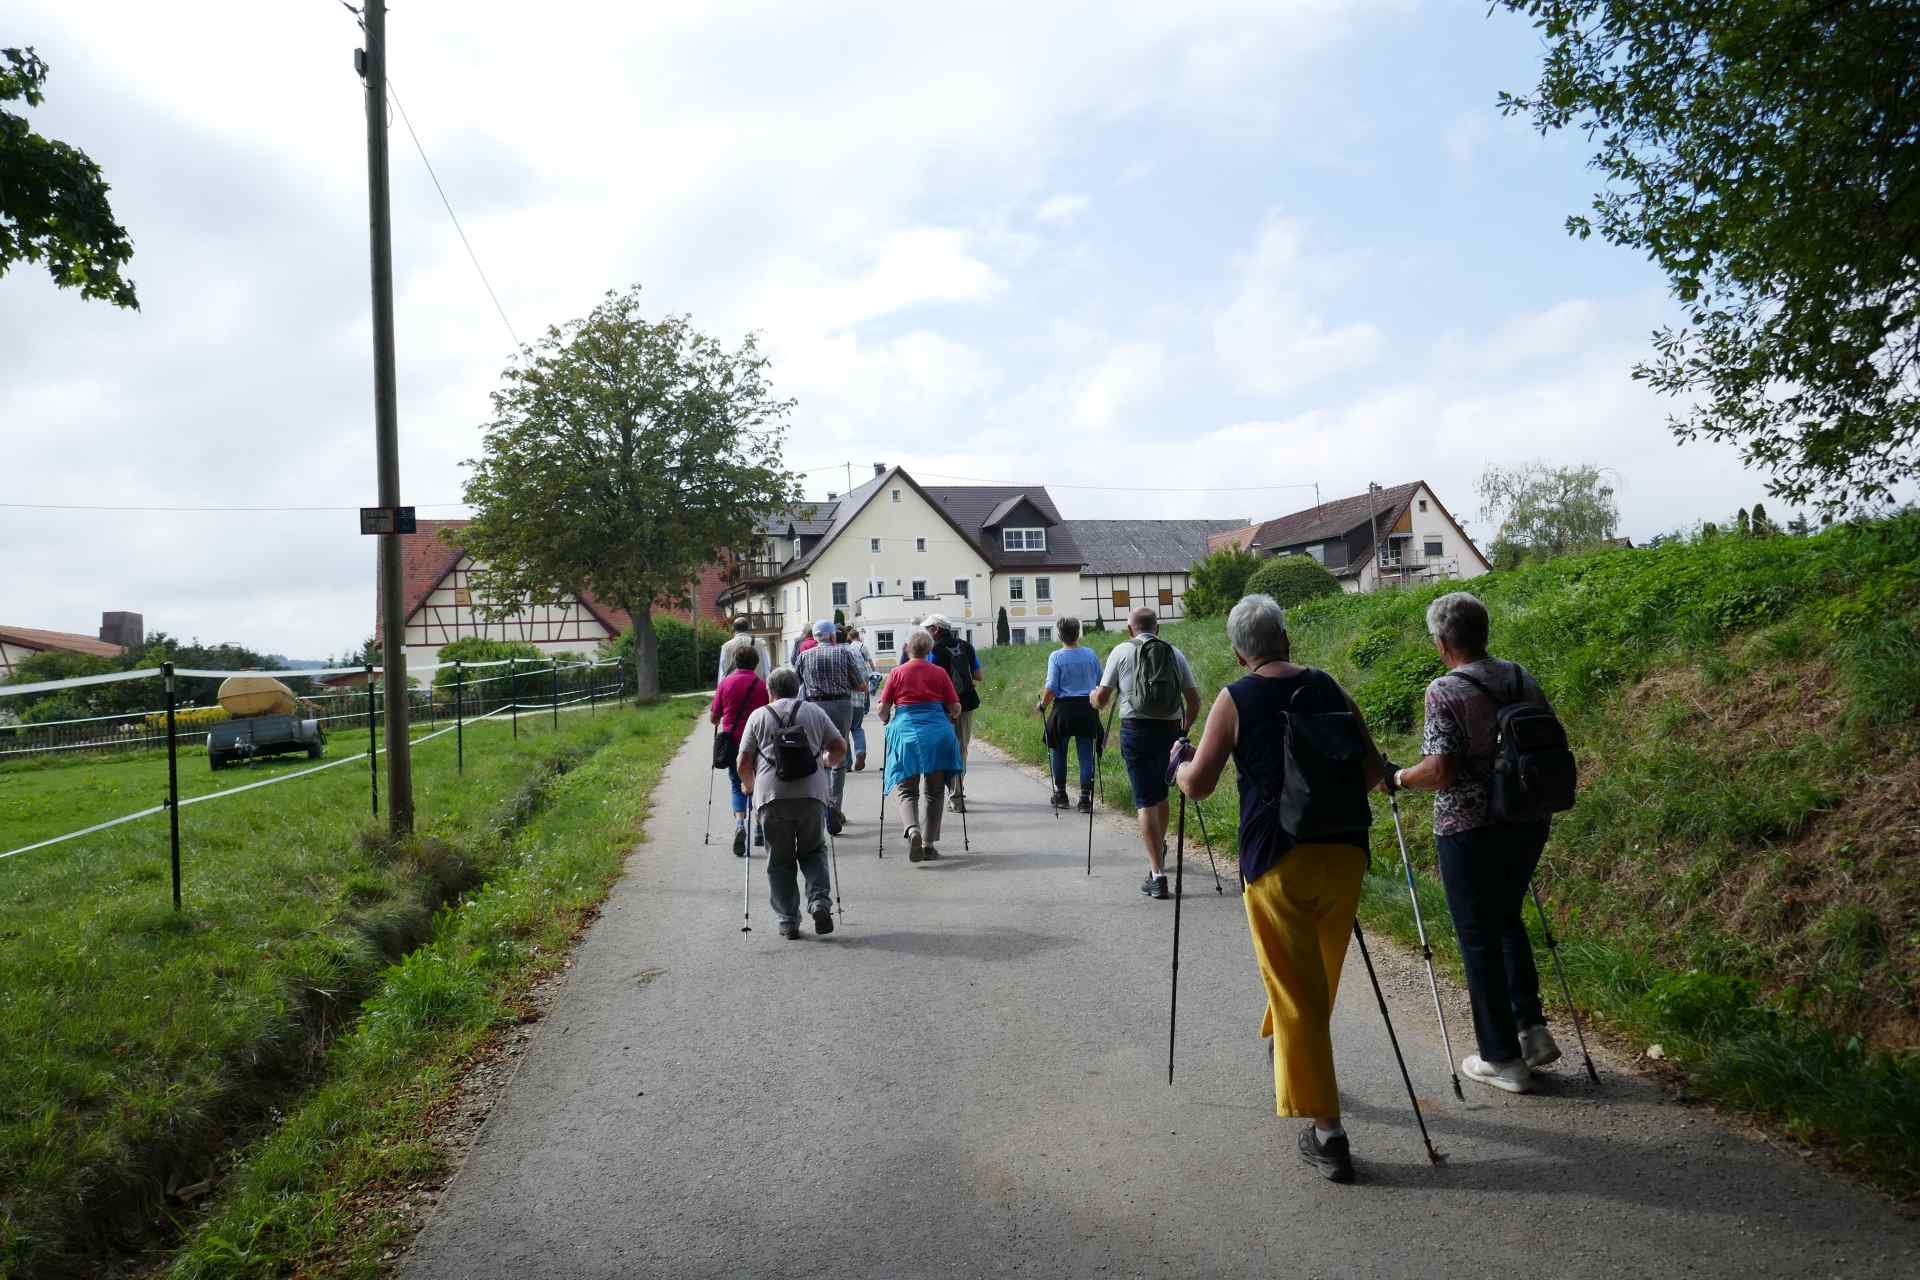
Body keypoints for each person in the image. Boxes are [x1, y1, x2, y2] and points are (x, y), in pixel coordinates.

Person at [1173, 593, 1384, 1183]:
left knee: (1297, 994)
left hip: (1275, 860)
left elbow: (1201, 785)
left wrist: (1178, 765)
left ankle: (1328, 1132)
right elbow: (1372, 773)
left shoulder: (1235, 698)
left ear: (1241, 651)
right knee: (1314, 976)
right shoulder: (1332, 688)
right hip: (1343, 852)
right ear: (1286, 636)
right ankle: (1282, 1043)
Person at [1388, 591, 1561, 1095]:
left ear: (1442, 643)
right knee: (1507, 918)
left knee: (1477, 935)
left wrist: (1398, 777)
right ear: (1483, 631)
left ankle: (1502, 1059)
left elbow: (1440, 771)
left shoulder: (1443, 690)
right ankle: (1532, 1030)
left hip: (1469, 828)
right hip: (1528, 818)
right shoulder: (1519, 676)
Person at [1092, 606, 1200, 899]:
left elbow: (1101, 700)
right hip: (1169, 731)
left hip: (1135, 730)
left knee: (1144, 801)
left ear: (1130, 629)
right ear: (1158, 628)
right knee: (1161, 795)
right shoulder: (1174, 653)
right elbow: (1194, 700)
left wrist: (1093, 697)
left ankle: (1157, 874)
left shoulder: (1121, 651)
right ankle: (1159, 846)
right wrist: (1183, 730)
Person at [736, 665, 847, 940]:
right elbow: (839, 748)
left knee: (780, 860)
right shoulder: (814, 712)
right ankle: (819, 902)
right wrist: (823, 762)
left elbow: (743, 761)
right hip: (811, 794)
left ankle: (788, 920)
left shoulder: (758, 716)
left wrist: (748, 785)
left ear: (770, 691)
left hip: (772, 798)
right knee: (813, 852)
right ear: (798, 688)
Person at [876, 628, 965, 862]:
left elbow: (883, 711)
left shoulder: (896, 673)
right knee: (935, 792)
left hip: (906, 733)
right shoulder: (939, 673)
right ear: (930, 649)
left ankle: (912, 829)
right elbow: (955, 707)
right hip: (937, 733)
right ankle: (928, 844)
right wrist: (951, 717)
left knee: (907, 790)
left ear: (907, 648)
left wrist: (885, 718)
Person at [793, 619, 863, 835]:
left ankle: (821, 806)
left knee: (817, 755)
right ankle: (835, 807)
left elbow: (796, 682)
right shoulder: (844, 653)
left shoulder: (804, 656)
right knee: (838, 756)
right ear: (833, 636)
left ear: (814, 637)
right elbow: (858, 684)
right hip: (841, 705)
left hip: (814, 706)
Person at [1035, 615, 1103, 812]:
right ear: (1078, 633)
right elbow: (1100, 680)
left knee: (1058, 749)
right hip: (1087, 708)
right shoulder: (1090, 654)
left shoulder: (1056, 657)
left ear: (1059, 634)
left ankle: (1061, 795)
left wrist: (1042, 704)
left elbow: (1052, 687)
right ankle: (1084, 799)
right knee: (1086, 754)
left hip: (1063, 709)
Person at [708, 646, 770, 856]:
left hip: (734, 742)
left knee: (737, 784)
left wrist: (722, 717)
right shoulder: (761, 685)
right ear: (755, 663)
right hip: (758, 741)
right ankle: (760, 827)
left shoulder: (725, 684)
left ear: (735, 661)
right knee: (759, 782)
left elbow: (714, 717)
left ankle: (740, 824)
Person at [923, 614, 982, 811]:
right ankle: (957, 793)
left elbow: (929, 680)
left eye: (928, 629)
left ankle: (953, 793)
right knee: (961, 749)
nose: (926, 633)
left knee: (945, 750)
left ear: (936, 630)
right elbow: (979, 676)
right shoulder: (967, 646)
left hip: (942, 708)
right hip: (965, 703)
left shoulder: (933, 651)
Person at [843, 625, 875, 771]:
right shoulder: (859, 650)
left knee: (843, 731)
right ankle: (860, 751)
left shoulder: (844, 652)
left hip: (844, 700)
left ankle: (846, 763)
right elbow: (865, 672)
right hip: (859, 698)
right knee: (857, 728)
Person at [716, 617, 771, 687]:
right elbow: (767, 668)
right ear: (747, 628)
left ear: (733, 629)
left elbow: (722, 672)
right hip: (756, 687)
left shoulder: (725, 647)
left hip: (733, 688)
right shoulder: (761, 644)